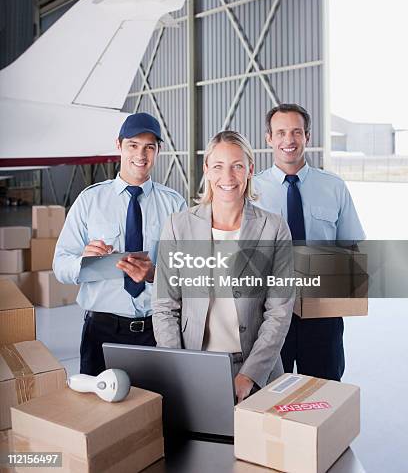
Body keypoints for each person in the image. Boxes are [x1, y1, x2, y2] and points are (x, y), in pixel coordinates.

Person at [152, 130, 294, 402]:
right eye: (218, 166)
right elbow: (164, 307)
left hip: (259, 372)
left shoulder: (274, 228)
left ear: (250, 169)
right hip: (195, 369)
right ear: (206, 169)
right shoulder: (178, 226)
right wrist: (180, 367)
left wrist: (249, 375)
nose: (227, 177)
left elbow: (279, 311)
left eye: (237, 166)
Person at [53, 113, 187, 376]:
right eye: (133, 145)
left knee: (158, 411)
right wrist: (83, 261)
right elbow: (60, 265)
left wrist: (154, 275)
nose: (141, 154)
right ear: (119, 145)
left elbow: (188, 273)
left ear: (159, 150)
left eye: (150, 146)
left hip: (157, 330)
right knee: (100, 413)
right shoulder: (90, 201)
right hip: (101, 332)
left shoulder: (174, 205)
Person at [253, 103, 365, 381]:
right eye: (280, 133)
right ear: (269, 138)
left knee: (324, 390)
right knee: (267, 394)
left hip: (322, 314)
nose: (288, 140)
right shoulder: (251, 190)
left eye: (296, 132)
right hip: (267, 314)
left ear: (307, 137)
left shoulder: (333, 187)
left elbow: (352, 247)